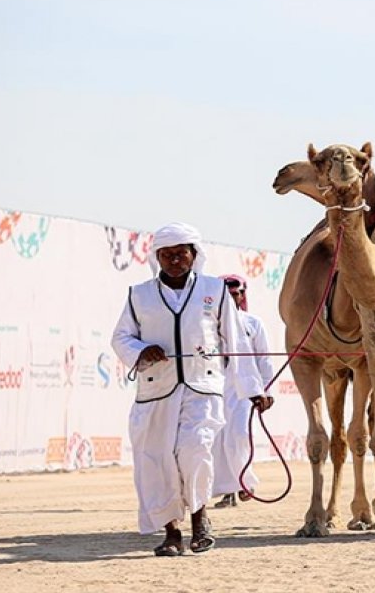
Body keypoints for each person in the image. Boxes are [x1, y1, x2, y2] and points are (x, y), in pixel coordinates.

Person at [110, 222, 274, 557]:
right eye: (167, 255)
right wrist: (141, 351)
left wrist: (252, 388)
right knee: (158, 460)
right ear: (157, 257)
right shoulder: (139, 295)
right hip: (155, 391)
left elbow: (236, 341)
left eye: (180, 253)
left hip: (203, 388)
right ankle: (172, 533)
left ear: (193, 254)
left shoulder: (214, 290)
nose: (174, 260)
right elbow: (121, 337)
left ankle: (200, 520)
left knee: (196, 450)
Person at [212, 274, 277, 508]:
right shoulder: (207, 323)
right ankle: (228, 490)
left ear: (242, 295)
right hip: (214, 386)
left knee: (239, 435)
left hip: (244, 389)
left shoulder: (252, 323)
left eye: (236, 294)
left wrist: (266, 390)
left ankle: (244, 482)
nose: (232, 298)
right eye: (227, 295)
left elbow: (264, 359)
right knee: (216, 441)